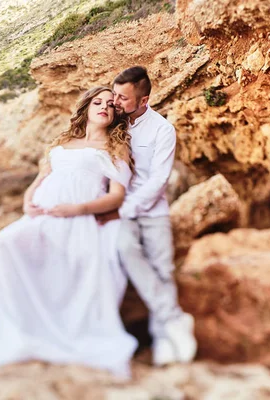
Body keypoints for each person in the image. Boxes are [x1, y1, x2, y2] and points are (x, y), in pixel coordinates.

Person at [0, 86, 138, 378]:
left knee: (68, 273)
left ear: (116, 114)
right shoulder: (64, 142)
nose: (104, 107)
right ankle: (6, 328)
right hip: (40, 220)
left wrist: (77, 209)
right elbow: (41, 178)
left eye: (111, 105)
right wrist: (27, 200)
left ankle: (50, 332)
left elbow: (116, 197)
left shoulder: (115, 147)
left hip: (79, 221)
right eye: (97, 102)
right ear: (86, 107)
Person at [97, 66, 197, 366]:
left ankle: (165, 339)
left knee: (163, 269)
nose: (115, 101)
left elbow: (159, 179)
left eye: (123, 97)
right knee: (126, 249)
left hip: (152, 210)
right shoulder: (113, 122)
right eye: (114, 93)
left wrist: (128, 207)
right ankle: (175, 320)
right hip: (120, 210)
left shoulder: (163, 129)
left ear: (144, 100)